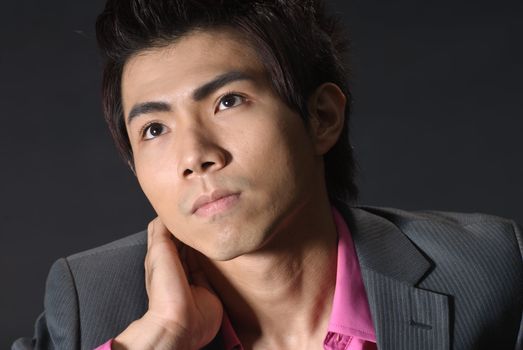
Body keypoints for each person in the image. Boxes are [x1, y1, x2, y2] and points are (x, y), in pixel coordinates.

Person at [12, 0, 523, 349]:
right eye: (153, 129)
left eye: (227, 101)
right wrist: (160, 335)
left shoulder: (487, 267)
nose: (195, 156)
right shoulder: (94, 302)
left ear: (322, 117)